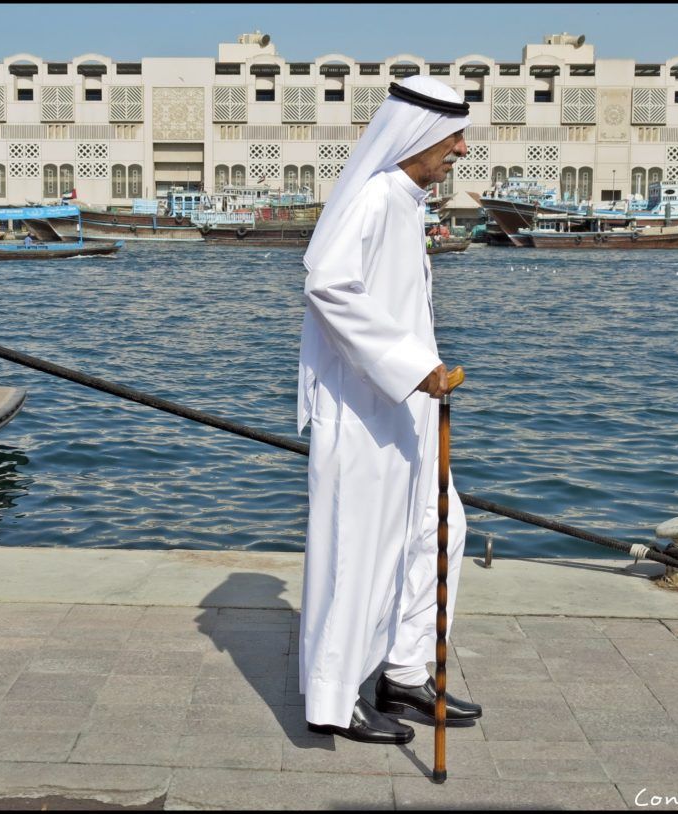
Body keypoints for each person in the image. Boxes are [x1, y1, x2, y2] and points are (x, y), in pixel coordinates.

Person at [296, 75, 481, 745]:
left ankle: (404, 673)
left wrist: (422, 375)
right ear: (420, 134)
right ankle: (333, 698)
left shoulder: (405, 202)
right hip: (367, 413)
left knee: (441, 531)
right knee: (361, 553)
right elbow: (326, 281)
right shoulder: (374, 199)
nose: (461, 149)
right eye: (454, 136)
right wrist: (411, 367)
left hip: (410, 409)